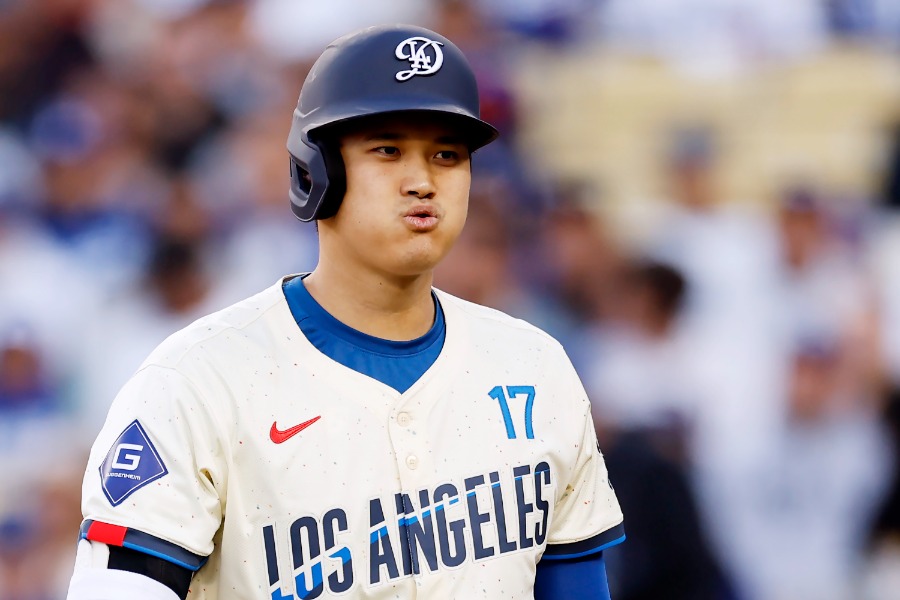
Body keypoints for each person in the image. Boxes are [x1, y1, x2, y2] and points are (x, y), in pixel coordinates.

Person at [64, 24, 624, 600]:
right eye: (387, 149)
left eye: (447, 155)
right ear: (316, 170)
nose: (423, 181)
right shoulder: (195, 383)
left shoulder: (535, 365)